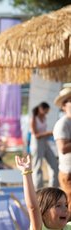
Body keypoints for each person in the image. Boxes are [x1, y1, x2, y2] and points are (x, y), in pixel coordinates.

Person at [16, 155, 71, 230]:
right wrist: (26, 173)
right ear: (43, 212)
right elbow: (33, 208)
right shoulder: (39, 227)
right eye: (58, 205)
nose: (65, 209)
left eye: (66, 205)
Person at [30, 102, 59, 189]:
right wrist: (49, 133)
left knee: (54, 164)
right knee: (37, 166)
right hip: (37, 143)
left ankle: (53, 188)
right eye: (46, 110)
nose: (47, 112)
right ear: (41, 109)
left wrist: (48, 134)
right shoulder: (34, 119)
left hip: (45, 142)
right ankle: (38, 188)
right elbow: (36, 135)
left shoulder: (44, 117)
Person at [53, 87, 71, 219]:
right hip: (68, 173)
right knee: (69, 210)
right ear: (64, 105)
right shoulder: (62, 124)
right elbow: (63, 148)